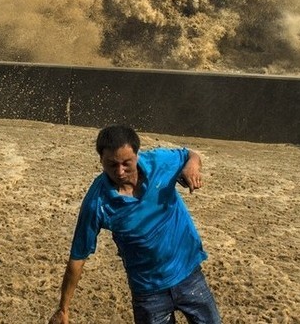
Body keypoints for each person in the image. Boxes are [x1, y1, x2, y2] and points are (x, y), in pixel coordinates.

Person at [48, 125, 220, 324]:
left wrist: (191, 166)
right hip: (148, 292)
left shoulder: (159, 163)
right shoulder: (97, 202)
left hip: (189, 275)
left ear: (137, 155)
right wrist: (63, 308)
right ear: (101, 161)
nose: (120, 172)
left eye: (126, 163)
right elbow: (78, 257)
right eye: (112, 165)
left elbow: (190, 154)